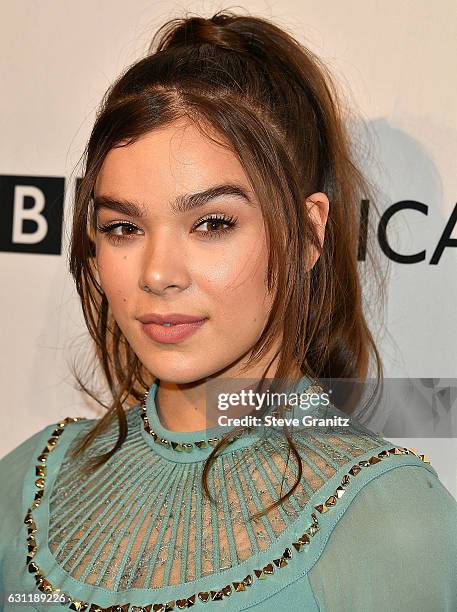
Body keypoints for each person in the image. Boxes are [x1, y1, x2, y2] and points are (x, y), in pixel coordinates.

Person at [1, 10, 456, 612]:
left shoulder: (391, 518)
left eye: (212, 224)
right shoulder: (29, 485)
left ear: (308, 235)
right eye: (123, 227)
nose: (158, 273)